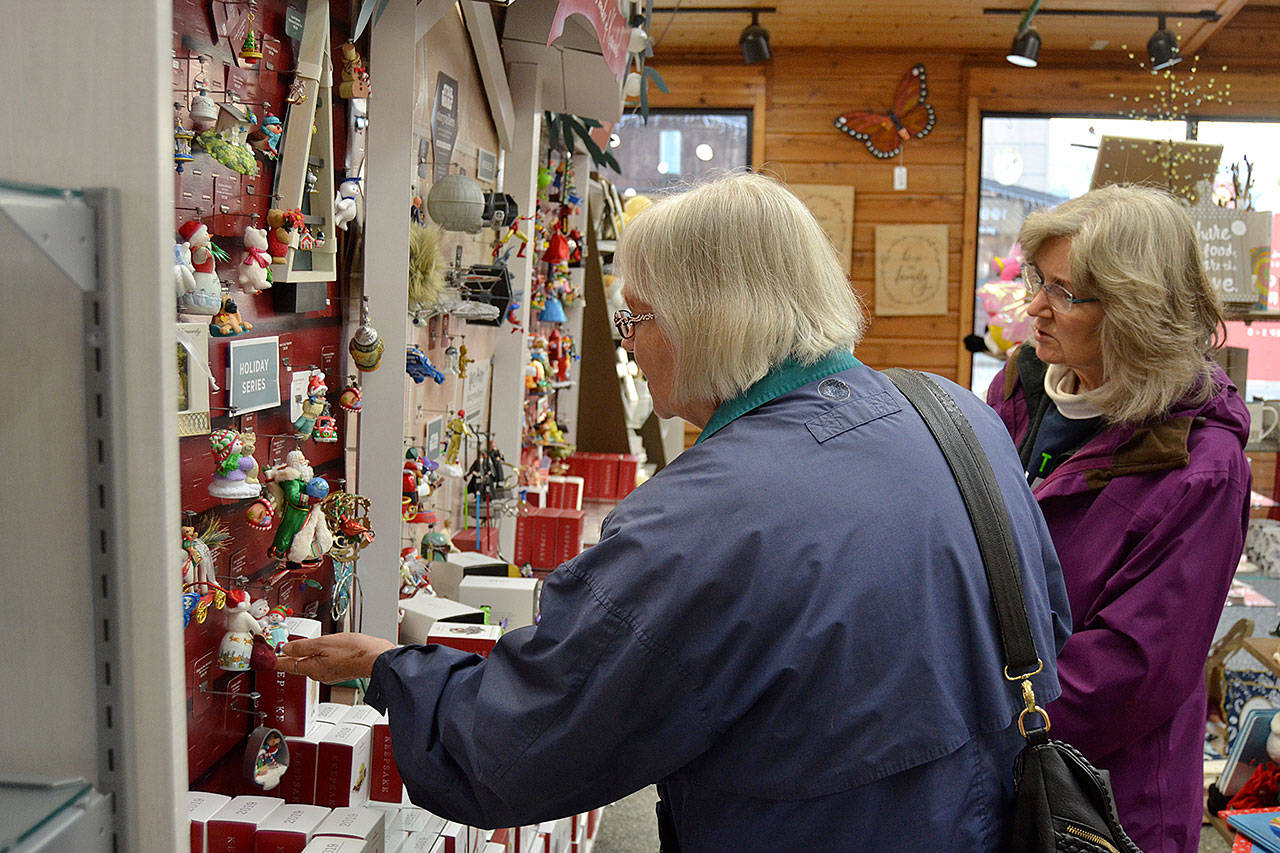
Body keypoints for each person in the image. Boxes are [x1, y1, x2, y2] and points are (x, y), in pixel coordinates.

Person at [279, 173, 1069, 849]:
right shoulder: (956, 416)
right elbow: (1047, 624)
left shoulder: (700, 518)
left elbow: (523, 746)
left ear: (703, 316)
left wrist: (394, 670)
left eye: (635, 317)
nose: (628, 345)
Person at [985, 183, 1251, 853]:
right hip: (1006, 754)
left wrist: (970, 708)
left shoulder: (1201, 465)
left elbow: (1132, 670)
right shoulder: (1017, 390)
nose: (1035, 309)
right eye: (1038, 280)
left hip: (1104, 796)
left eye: (1066, 294)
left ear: (1138, 313)